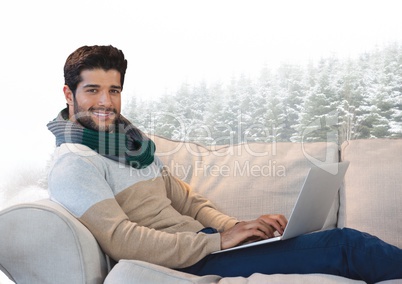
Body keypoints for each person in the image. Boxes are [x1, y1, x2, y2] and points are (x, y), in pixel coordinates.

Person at [47, 45, 402, 283]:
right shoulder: (74, 162)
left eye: (114, 90)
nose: (106, 102)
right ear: (69, 94)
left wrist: (239, 228)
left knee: (334, 242)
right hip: (189, 262)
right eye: (92, 90)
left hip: (203, 245)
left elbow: (186, 200)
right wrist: (219, 242)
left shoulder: (130, 144)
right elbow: (122, 240)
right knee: (347, 246)